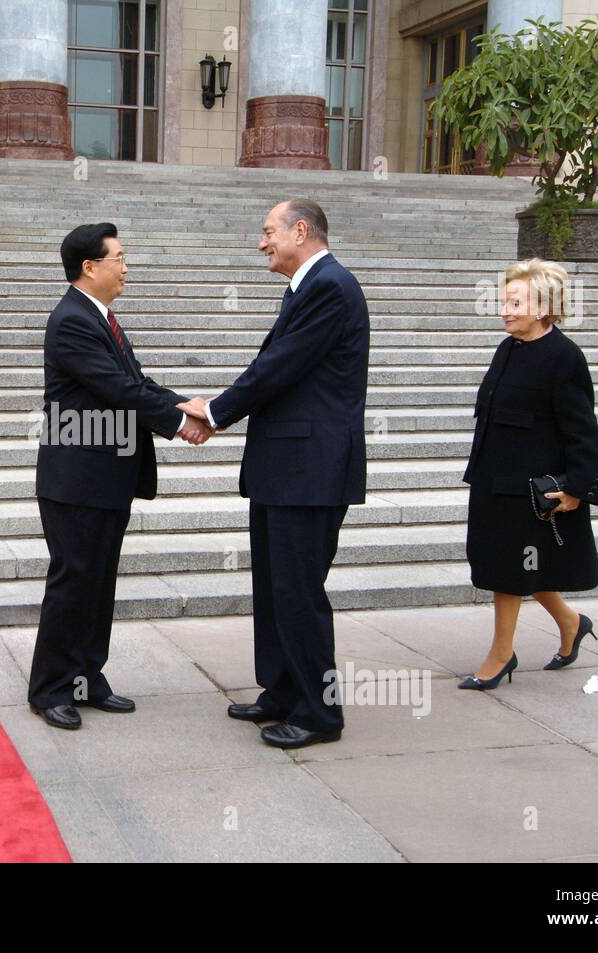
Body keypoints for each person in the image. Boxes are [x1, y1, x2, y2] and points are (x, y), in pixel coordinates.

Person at [183, 198, 369, 750]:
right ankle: (283, 692)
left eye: (268, 232)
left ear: (300, 230)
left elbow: (278, 367)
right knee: (274, 588)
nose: (261, 243)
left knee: (299, 592)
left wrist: (214, 412)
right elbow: (277, 368)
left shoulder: (331, 286)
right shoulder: (307, 288)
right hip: (284, 469)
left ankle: (318, 713)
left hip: (308, 472)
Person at [29, 223, 211, 730]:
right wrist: (179, 423)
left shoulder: (102, 318)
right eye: (120, 258)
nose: (126, 267)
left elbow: (135, 381)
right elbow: (116, 390)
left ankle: (87, 677)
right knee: (73, 582)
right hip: (76, 481)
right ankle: (50, 689)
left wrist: (184, 402)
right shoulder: (71, 321)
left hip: (105, 478)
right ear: (90, 267)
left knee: (99, 582)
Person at [458, 258, 598, 690]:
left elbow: (582, 429)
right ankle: (571, 622)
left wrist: (578, 487)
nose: (505, 309)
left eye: (515, 302)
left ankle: (501, 656)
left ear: (543, 307)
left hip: (529, 492)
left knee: (509, 573)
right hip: (492, 482)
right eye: (505, 301)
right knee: (519, 566)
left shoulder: (564, 358)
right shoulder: (508, 348)